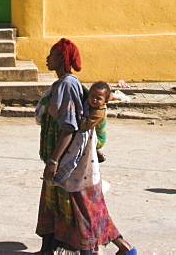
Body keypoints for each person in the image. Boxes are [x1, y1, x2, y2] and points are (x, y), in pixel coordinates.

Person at [35, 39, 136, 255]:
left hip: (68, 162)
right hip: (67, 159)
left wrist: (54, 161)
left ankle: (116, 247)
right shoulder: (65, 83)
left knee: (83, 210)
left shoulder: (66, 85)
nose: (47, 58)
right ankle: (47, 250)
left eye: (52, 54)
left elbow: (69, 126)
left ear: (62, 58)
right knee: (58, 206)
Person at [81, 81, 110, 163]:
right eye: (92, 96)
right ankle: (99, 154)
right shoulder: (89, 104)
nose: (94, 100)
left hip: (99, 139)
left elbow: (86, 125)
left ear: (105, 101)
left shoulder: (99, 112)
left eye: (99, 98)